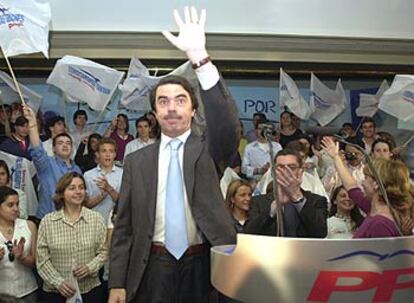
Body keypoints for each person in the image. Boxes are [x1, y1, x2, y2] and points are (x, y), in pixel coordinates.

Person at [108, 7, 238, 303]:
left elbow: (227, 127)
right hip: (153, 267)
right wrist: (117, 281)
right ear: (154, 113)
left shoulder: (208, 150)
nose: (172, 107)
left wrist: (200, 59)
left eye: (181, 101)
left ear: (193, 110)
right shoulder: (136, 162)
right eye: (163, 101)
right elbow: (124, 227)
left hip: (203, 267)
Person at [322, 136, 413, 238]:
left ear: (376, 185)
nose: (362, 182)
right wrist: (335, 157)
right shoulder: (374, 207)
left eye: (366, 178)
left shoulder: (379, 223)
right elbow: (351, 186)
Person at [36, 172, 107, 303]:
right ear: (62, 193)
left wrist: (89, 267)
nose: (78, 191)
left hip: (90, 291)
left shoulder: (96, 219)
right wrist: (59, 283)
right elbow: (42, 259)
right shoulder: (48, 221)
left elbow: (104, 252)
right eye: (72, 188)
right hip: (55, 294)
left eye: (81, 187)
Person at [245, 148, 328, 238]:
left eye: (292, 167)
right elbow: (248, 234)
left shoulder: (316, 200)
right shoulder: (258, 202)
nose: (286, 172)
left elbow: (320, 232)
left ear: (301, 171)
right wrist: (274, 207)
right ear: (273, 172)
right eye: (281, 167)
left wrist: (297, 197)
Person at [23, 104, 82, 219]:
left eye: (68, 143)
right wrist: (33, 124)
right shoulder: (47, 164)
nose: (65, 145)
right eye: (60, 143)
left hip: (72, 218)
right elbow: (37, 149)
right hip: (48, 218)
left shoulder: (77, 170)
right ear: (54, 149)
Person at [0, 186, 38, 302]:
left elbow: (35, 262)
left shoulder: (29, 226)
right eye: (10, 205)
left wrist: (22, 257)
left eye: (17, 204)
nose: (16, 209)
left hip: (27, 291)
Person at [84, 138, 122, 223]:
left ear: (115, 154)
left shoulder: (123, 174)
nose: (108, 154)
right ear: (97, 154)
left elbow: (125, 203)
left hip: (116, 224)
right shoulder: (88, 175)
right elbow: (86, 205)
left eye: (111, 151)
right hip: (93, 223)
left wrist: (109, 189)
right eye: (104, 151)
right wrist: (101, 196)